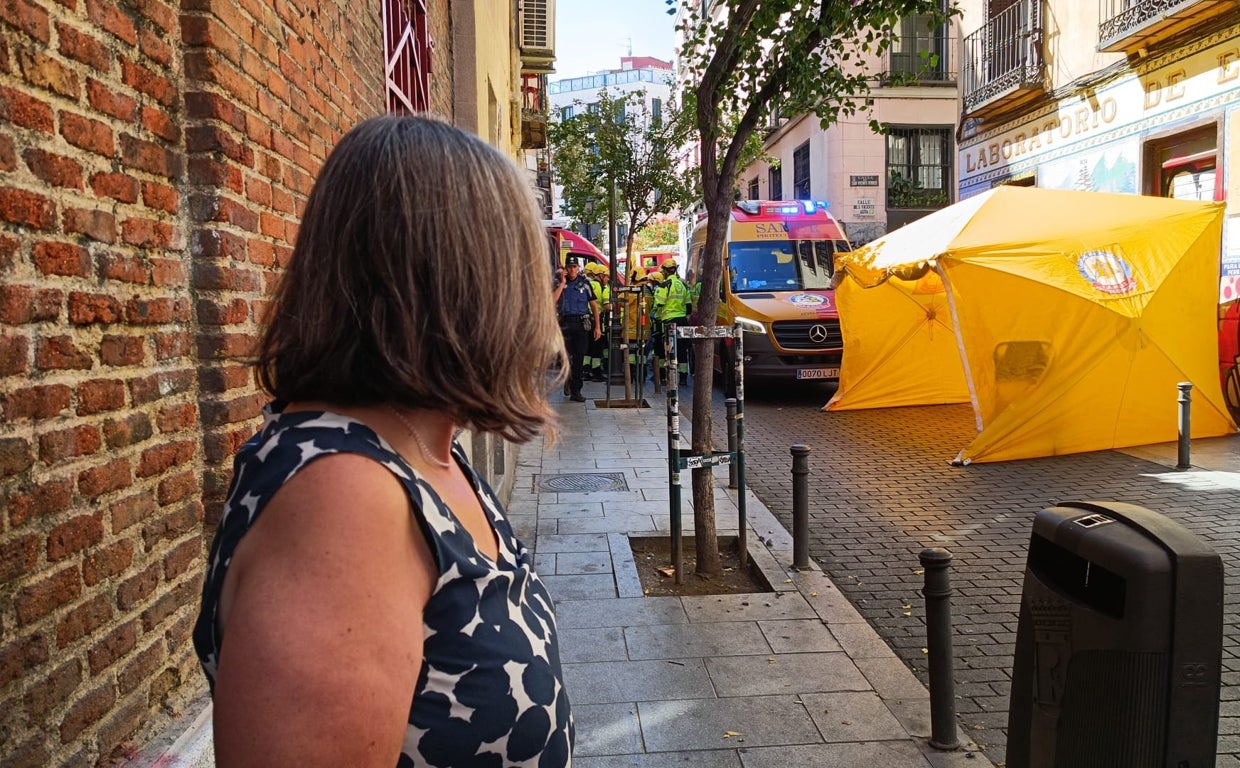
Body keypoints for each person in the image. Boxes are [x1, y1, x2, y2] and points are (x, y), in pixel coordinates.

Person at [192, 115, 573, 767]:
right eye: (531, 268)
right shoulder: (344, 496)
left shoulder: (424, 452)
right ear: (472, 288)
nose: (549, 295)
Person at [553, 255, 601, 402]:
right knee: (566, 357)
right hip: (565, 323)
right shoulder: (558, 283)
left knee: (579, 357)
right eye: (569, 267)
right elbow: (552, 300)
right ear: (565, 269)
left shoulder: (585, 284)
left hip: (581, 324)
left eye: (574, 267)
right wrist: (562, 283)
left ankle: (576, 390)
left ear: (578, 268)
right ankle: (567, 378)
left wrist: (597, 327)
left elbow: (593, 306)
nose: (572, 269)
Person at [652, 257, 693, 385]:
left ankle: (667, 378)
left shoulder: (664, 285)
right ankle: (683, 378)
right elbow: (689, 307)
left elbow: (659, 303)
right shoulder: (683, 285)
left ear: (665, 271)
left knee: (668, 351)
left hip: (668, 322)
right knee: (682, 351)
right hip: (682, 321)